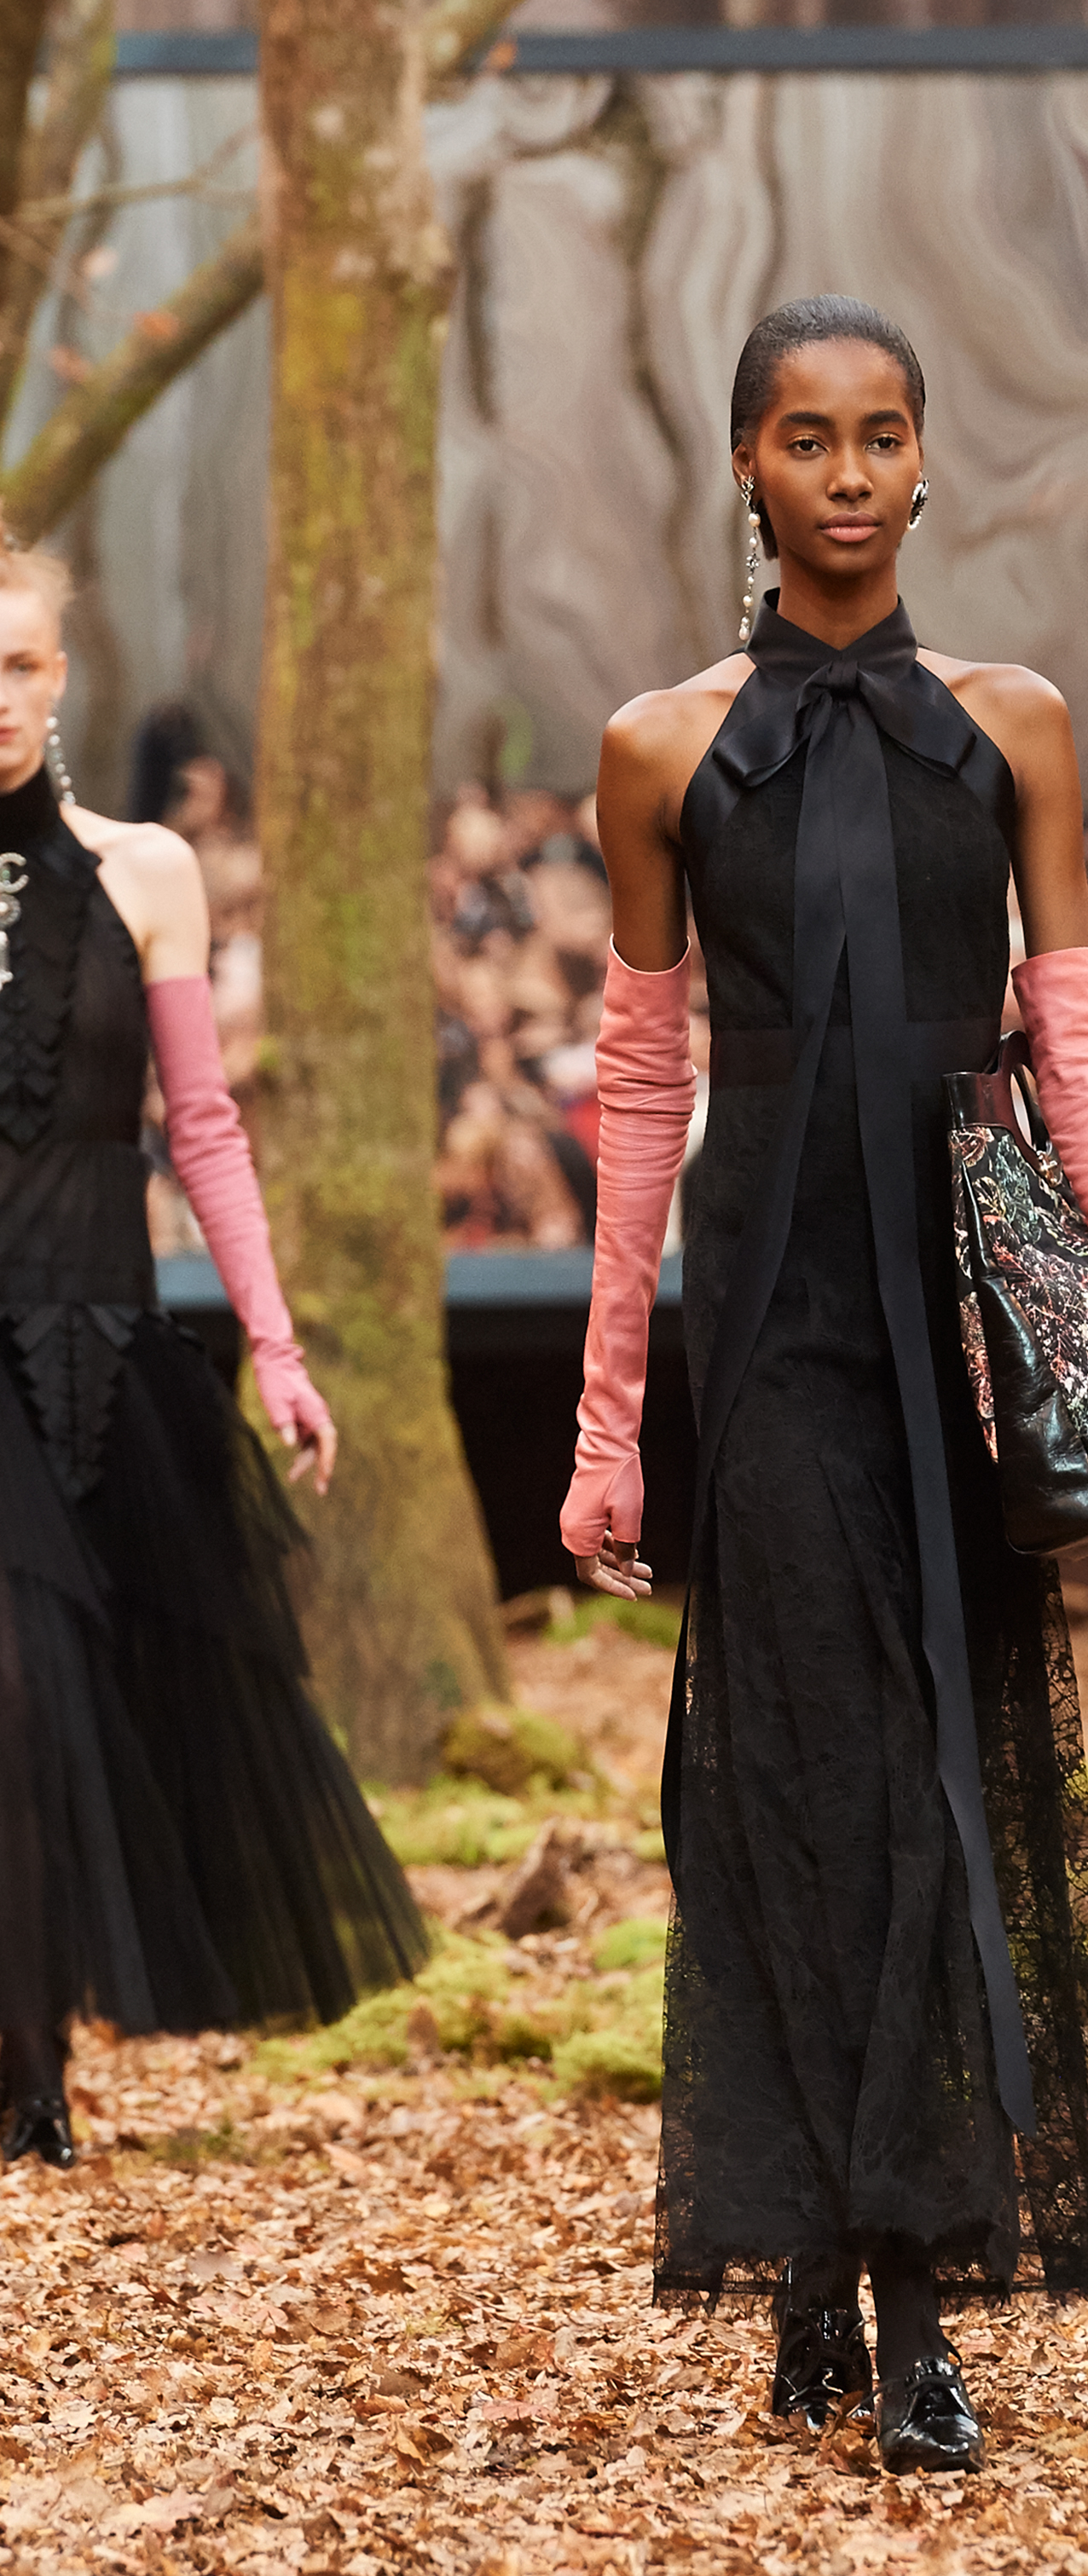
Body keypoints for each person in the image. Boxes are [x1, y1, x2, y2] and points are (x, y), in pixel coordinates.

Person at [560, 297, 1088, 2475]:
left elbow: (1082, 1060)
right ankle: (832, 2261)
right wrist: (608, 1418)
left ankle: (907, 2285)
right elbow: (636, 1091)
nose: (845, 471)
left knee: (935, 1783)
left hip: (957, 1325)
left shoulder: (1014, 727)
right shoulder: (657, 748)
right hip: (765, 1317)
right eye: (804, 437)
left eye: (880, 434)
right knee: (792, 1782)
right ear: (746, 466)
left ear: (925, 463)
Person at [0, 539, 427, 2169]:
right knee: (15, 1683)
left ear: (61, 675)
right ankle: (27, 2065)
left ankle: (33, 2048)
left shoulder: (149, 874)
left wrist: (279, 1345)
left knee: (69, 1697)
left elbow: (205, 1126)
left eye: (21, 663)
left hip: (99, 1344)